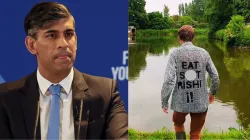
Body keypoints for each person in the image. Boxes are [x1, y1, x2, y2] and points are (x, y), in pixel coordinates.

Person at [0, 2, 128, 140]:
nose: (64, 43)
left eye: (68, 34)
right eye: (52, 35)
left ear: (76, 41)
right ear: (32, 45)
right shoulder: (6, 98)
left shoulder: (106, 93)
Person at [161, 25, 220, 140]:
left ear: (179, 37)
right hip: (201, 102)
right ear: (193, 37)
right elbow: (215, 76)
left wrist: (164, 101)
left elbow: (169, 80)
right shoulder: (204, 53)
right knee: (195, 133)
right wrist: (212, 93)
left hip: (180, 102)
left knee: (178, 124)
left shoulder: (175, 54)